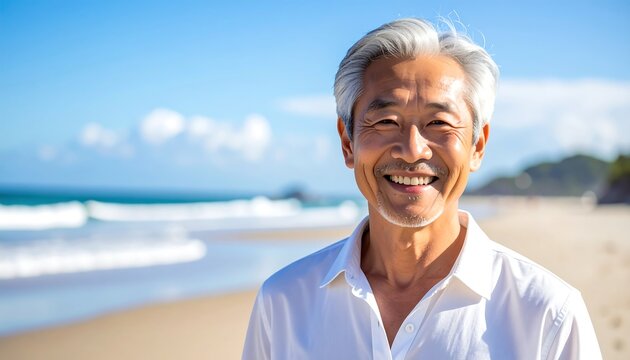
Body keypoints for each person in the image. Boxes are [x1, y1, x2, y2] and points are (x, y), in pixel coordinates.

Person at [242, 18, 602, 359]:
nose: (413, 149)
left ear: (477, 145)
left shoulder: (548, 315)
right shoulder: (284, 303)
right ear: (347, 142)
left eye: (438, 122)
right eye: (385, 121)